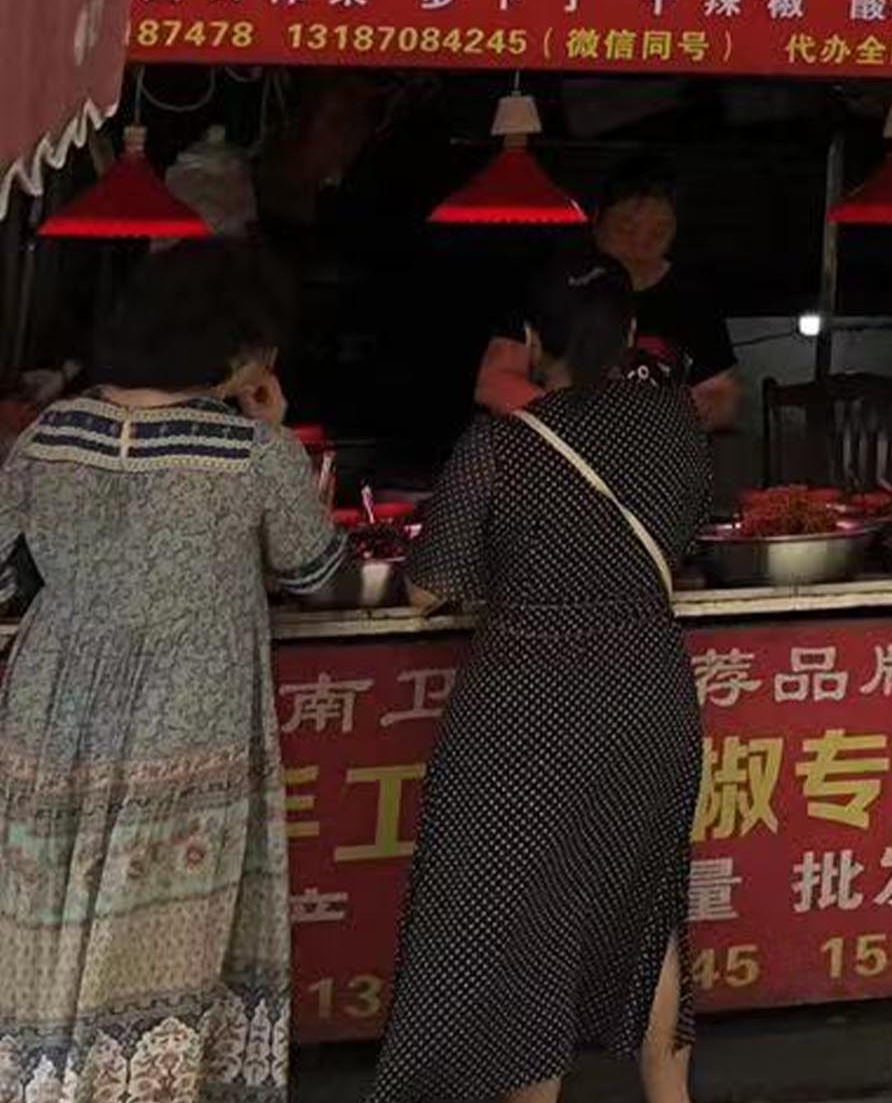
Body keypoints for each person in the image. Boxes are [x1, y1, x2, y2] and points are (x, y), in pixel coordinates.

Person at [0, 239, 345, 1100]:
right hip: (186, 719)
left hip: (50, 713)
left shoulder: (48, 435)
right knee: (157, 928)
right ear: (235, 346)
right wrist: (275, 425)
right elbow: (318, 571)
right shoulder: (253, 453)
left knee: (45, 916)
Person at [376, 275, 715, 1103]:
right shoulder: (675, 422)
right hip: (647, 687)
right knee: (648, 906)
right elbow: (687, 529)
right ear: (629, 333)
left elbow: (430, 586)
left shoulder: (501, 444)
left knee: (526, 918)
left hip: (528, 701)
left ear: (533, 341)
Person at [475, 181, 741, 433]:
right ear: (597, 219)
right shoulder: (554, 283)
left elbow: (722, 398)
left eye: (659, 231)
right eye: (626, 227)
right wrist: (585, 429)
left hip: (654, 452)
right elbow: (494, 383)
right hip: (551, 447)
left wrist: (652, 424)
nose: (641, 242)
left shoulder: (691, 297)